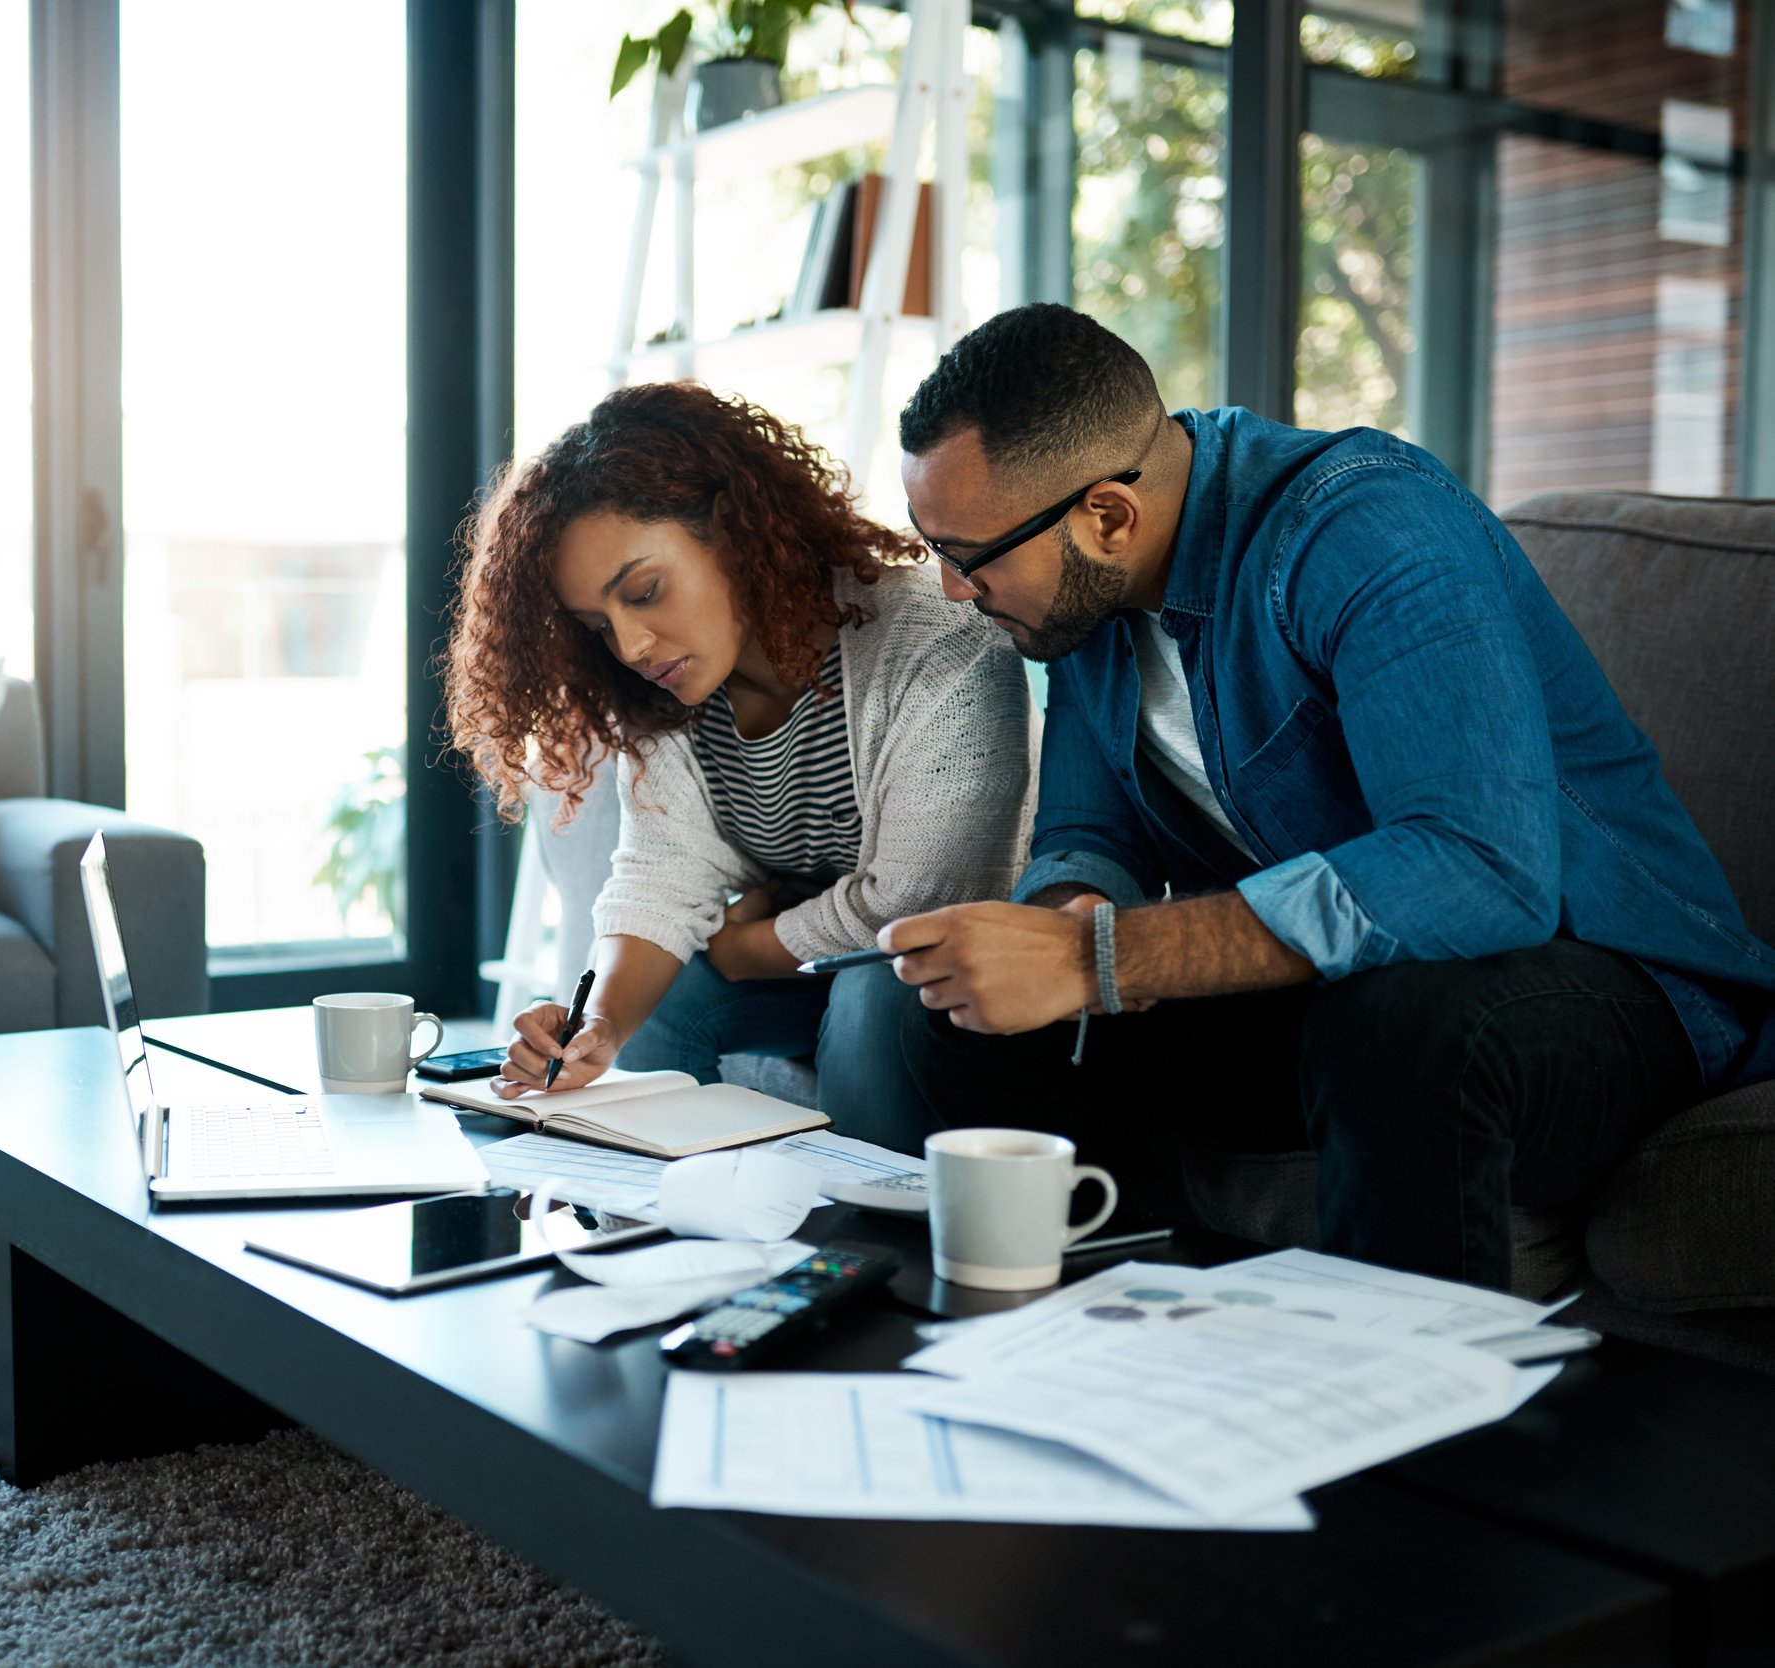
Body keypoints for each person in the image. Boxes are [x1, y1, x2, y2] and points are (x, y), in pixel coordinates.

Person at [873, 301, 1775, 1289]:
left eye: (969, 557)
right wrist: (1059, 923)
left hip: (1604, 989)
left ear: (1106, 514)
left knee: (1403, 1027)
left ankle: (1402, 1416)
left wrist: (1101, 958)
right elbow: (1089, 830)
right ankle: (1094, 1352)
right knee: (963, 1016)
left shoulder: (1362, 527)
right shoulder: (1082, 605)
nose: (954, 591)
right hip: (1335, 995)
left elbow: (1482, 870)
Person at [443, 381, 1035, 1146]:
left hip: (943, 980)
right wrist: (595, 1028)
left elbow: (916, 906)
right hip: (808, 970)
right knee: (668, 1001)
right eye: (598, 625)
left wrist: (743, 946)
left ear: (732, 530)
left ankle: (867, 1247)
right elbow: (661, 876)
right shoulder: (665, 693)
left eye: (645, 592)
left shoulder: (934, 640)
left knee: (872, 995)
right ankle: (656, 1230)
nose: (629, 646)